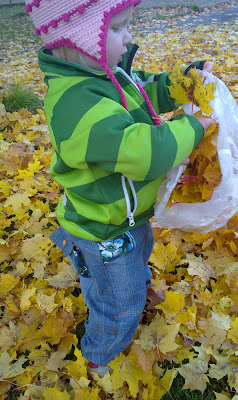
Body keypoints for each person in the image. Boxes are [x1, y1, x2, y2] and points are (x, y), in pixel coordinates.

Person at [25, 0, 214, 378]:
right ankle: (100, 353)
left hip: (125, 217)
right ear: (79, 39)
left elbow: (145, 91)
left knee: (138, 255)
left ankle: (123, 284)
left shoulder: (107, 76)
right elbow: (146, 151)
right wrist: (195, 128)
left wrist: (182, 81)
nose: (129, 38)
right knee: (119, 302)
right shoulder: (76, 105)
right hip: (104, 231)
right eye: (117, 29)